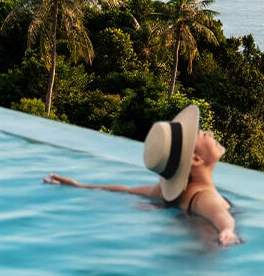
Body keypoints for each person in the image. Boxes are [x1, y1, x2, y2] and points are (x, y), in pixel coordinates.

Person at [44, 105, 242, 246]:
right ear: (196, 159)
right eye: (201, 135)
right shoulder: (204, 197)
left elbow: (126, 190)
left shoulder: (168, 194)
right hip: (208, 242)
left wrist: (80, 186)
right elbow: (220, 216)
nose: (208, 133)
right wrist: (228, 232)